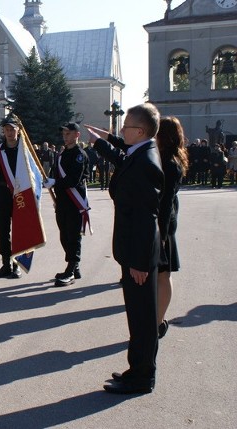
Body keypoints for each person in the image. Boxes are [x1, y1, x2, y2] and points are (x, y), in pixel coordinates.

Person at [86, 103, 164, 394]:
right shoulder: (141, 152)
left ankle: (143, 377)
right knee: (137, 315)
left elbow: (146, 217)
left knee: (143, 318)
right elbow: (123, 157)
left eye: (126, 126)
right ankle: (136, 369)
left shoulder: (146, 163)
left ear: (140, 131)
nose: (121, 130)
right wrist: (102, 141)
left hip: (139, 254)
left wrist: (141, 262)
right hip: (133, 250)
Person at [43, 122, 90, 287]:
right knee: (64, 235)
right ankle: (74, 266)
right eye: (64, 134)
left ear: (77, 135)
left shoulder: (79, 155)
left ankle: (71, 269)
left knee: (73, 236)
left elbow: (73, 180)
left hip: (74, 201)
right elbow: (56, 173)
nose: (65, 136)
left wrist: (54, 182)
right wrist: (50, 180)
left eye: (68, 133)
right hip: (62, 201)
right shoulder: (61, 154)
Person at [154, 116, 189, 340]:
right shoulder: (166, 157)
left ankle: (158, 322)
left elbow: (166, 201)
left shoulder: (170, 163)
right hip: (164, 220)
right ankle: (156, 319)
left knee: (163, 274)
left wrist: (163, 233)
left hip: (164, 223)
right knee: (159, 273)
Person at [0, 115, 27, 279]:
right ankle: (5, 263)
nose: (10, 132)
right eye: (7, 129)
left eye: (12, 129)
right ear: (3, 131)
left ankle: (17, 264)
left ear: (18, 130)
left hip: (20, 195)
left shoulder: (25, 150)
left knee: (19, 231)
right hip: (2, 195)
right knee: (2, 231)